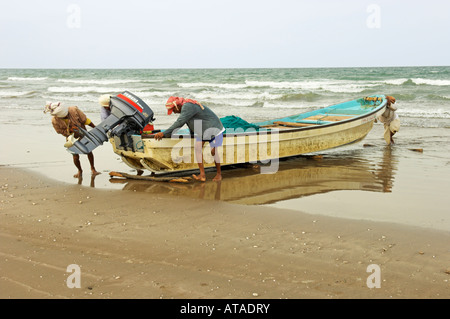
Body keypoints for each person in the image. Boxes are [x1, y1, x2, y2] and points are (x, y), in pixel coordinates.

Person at [154, 96, 225, 182]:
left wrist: (164, 133)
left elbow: (179, 123)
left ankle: (219, 174)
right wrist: (191, 134)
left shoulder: (187, 106)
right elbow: (189, 122)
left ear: (177, 106)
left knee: (213, 151)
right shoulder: (185, 108)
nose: (174, 112)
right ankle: (202, 175)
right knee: (198, 148)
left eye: (173, 110)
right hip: (202, 129)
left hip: (214, 127)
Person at [44, 102, 100, 178]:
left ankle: (93, 169)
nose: (66, 117)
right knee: (75, 155)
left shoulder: (74, 110)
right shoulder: (54, 120)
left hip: (82, 133)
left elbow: (86, 120)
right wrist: (69, 130)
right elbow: (59, 131)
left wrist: (96, 128)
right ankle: (79, 171)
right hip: (70, 138)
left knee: (89, 151)